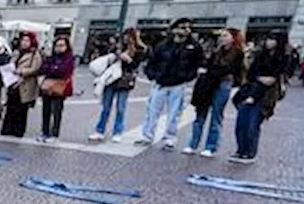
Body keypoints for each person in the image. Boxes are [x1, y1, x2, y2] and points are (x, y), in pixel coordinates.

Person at [138, 17, 204, 148]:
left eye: (188, 27)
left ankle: (170, 138)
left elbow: (197, 64)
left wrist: (187, 76)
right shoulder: (163, 45)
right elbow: (152, 61)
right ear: (174, 29)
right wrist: (153, 75)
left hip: (178, 83)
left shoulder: (194, 47)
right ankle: (147, 135)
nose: (187, 30)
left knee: (174, 113)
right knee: (152, 111)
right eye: (183, 27)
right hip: (161, 82)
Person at [185, 27, 245, 157]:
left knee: (216, 115)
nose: (222, 38)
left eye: (225, 35)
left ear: (233, 38)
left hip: (223, 83)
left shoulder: (238, 53)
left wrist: (210, 72)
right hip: (209, 83)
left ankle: (210, 147)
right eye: (221, 36)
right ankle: (192, 144)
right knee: (200, 114)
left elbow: (230, 69)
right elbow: (208, 64)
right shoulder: (216, 51)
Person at [231, 35, 288, 164]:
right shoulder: (259, 55)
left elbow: (272, 79)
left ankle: (249, 152)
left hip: (265, 96)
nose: (269, 42)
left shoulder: (281, 58)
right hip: (249, 91)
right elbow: (252, 74)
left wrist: (263, 80)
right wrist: (260, 79)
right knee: (241, 123)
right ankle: (240, 150)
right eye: (268, 38)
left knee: (253, 124)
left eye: (273, 39)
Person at [90, 28, 148, 143]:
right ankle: (99, 131)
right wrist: (114, 53)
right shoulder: (117, 47)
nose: (126, 38)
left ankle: (117, 132)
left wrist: (128, 60)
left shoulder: (138, 50)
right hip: (111, 78)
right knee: (106, 107)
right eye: (125, 36)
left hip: (124, 80)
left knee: (120, 108)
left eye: (129, 36)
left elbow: (135, 66)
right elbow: (106, 58)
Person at [1, 31, 43, 137]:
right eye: (23, 40)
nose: (24, 42)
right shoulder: (16, 52)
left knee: (22, 109)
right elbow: (10, 64)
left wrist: (21, 71)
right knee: (10, 107)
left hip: (25, 85)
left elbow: (35, 68)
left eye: (27, 40)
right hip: (13, 83)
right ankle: (7, 129)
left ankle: (18, 131)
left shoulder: (34, 54)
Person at [37, 36, 75, 142]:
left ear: (67, 46)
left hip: (60, 88)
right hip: (48, 86)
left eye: (61, 45)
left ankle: (54, 134)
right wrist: (53, 68)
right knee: (46, 111)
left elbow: (63, 71)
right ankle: (44, 132)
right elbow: (42, 69)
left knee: (57, 111)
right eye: (57, 45)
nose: (58, 48)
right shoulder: (51, 57)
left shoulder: (69, 58)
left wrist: (52, 69)